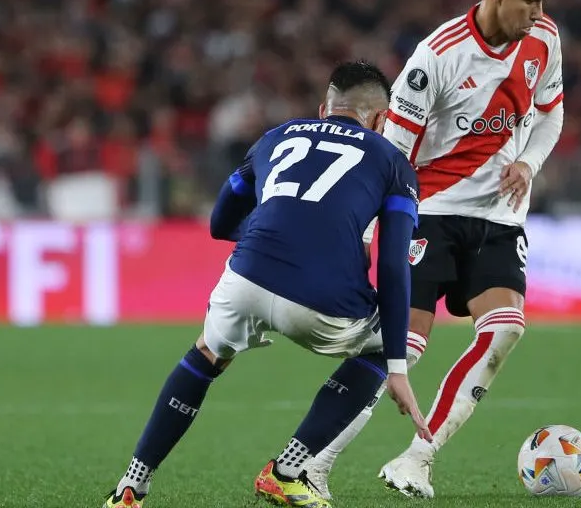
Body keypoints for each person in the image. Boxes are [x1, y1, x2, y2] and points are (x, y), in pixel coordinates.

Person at [101, 61, 432, 508]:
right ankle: (287, 469)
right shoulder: (391, 160)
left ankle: (131, 486)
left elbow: (220, 223)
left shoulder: (276, 136)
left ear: (324, 110)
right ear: (380, 119)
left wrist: (276, 232)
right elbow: (393, 266)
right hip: (322, 301)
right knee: (377, 349)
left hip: (246, 279)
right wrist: (397, 368)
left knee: (206, 352)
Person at [305, 0, 565, 500]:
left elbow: (550, 114)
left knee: (506, 330)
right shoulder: (438, 57)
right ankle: (309, 464)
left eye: (545, 0)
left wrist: (527, 160)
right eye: (531, 1)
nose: (541, 13)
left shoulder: (544, 40)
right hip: (429, 212)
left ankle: (418, 460)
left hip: (498, 217)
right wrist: (373, 230)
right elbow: (391, 155)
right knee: (400, 349)